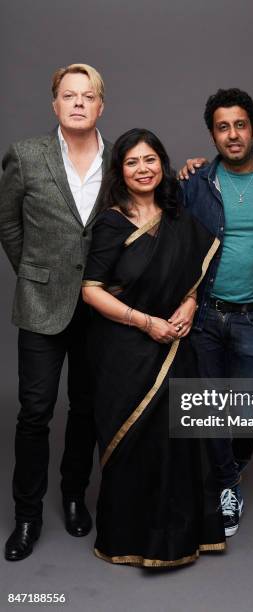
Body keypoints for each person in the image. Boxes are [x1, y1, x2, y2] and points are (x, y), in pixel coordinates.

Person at [81, 128, 225, 568]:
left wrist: (190, 301)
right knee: (133, 443)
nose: (143, 169)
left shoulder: (177, 216)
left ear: (162, 163)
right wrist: (146, 323)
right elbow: (91, 289)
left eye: (150, 160)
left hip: (175, 343)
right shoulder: (110, 222)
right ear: (119, 171)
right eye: (132, 162)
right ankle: (130, 540)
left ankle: (181, 539)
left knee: (177, 441)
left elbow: (196, 269)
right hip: (125, 349)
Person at [0, 63, 112, 561]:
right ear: (55, 104)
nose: (79, 103)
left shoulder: (121, 158)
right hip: (42, 303)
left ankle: (72, 496)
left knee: (86, 409)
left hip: (98, 307)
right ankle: (26, 516)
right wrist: (32, 272)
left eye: (88, 96)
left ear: (100, 105)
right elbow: (6, 221)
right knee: (35, 412)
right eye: (69, 95)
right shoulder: (27, 156)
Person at [180, 89, 253, 537]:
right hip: (205, 313)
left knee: (245, 409)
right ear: (213, 134)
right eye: (223, 127)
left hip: (251, 315)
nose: (233, 134)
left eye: (240, 125)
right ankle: (226, 483)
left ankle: (229, 463)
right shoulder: (195, 183)